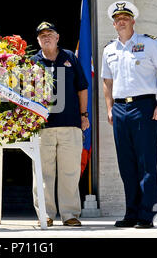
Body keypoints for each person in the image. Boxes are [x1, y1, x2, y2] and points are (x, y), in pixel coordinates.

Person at [101, 1, 157, 228]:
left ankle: (146, 215)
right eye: (117, 18)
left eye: (125, 17)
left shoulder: (148, 44)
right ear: (113, 24)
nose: (121, 21)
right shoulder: (109, 49)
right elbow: (107, 80)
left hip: (143, 107)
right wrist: (109, 108)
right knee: (126, 164)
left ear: (133, 20)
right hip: (120, 109)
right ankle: (131, 213)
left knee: (146, 163)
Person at [31, 21, 90, 227]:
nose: (46, 37)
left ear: (57, 38)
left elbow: (82, 88)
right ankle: (45, 215)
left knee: (70, 172)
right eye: (42, 35)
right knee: (43, 173)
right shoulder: (32, 62)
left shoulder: (70, 58)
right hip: (42, 128)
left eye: (50, 34)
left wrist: (84, 115)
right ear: (38, 40)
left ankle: (70, 214)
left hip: (70, 125)